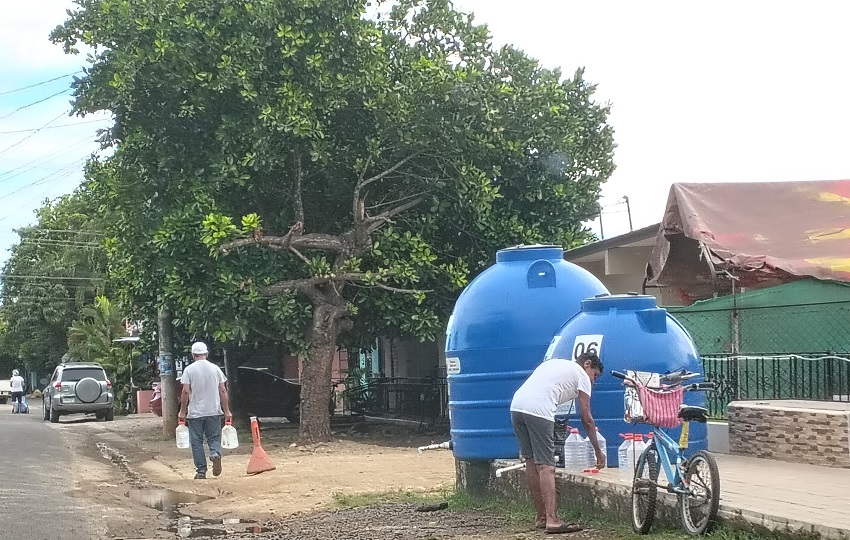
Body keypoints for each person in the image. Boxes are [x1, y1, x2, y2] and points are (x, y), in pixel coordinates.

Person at [509, 351, 604, 534]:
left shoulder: (555, 364)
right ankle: (552, 520)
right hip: (538, 410)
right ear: (588, 364)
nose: (593, 381)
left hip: (517, 407)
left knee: (530, 461)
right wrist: (598, 452)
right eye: (595, 375)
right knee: (546, 466)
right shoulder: (581, 374)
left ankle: (541, 516)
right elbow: (587, 419)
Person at [178, 342, 232, 479]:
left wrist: (182, 411)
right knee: (214, 437)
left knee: (196, 441)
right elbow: (223, 390)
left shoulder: (189, 370)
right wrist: (227, 411)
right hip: (214, 411)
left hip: (195, 413)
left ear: (193, 355)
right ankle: (215, 453)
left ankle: (201, 471)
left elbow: (185, 391)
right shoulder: (216, 369)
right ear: (206, 354)